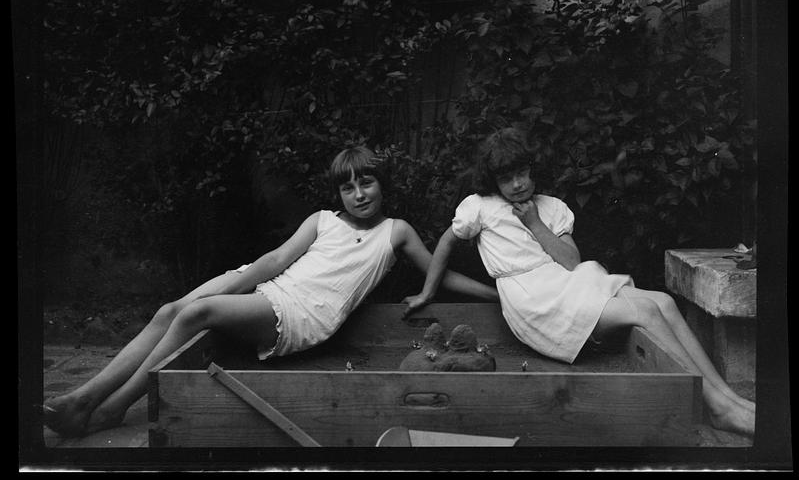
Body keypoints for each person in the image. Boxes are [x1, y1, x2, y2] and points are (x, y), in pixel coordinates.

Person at [43, 145, 498, 437]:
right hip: (276, 293)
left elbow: (439, 273)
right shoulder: (321, 220)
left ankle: (113, 408)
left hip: (305, 316)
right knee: (173, 309)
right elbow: (274, 262)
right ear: (338, 193)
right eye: (348, 187)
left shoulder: (395, 231)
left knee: (193, 316)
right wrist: (220, 290)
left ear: (382, 185)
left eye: (367, 182)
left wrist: (497, 295)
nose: (359, 194)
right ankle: (85, 397)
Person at [402, 127, 755, 436]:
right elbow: (448, 241)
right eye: (507, 178)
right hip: (536, 302)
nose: (518, 183)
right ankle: (720, 410)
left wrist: (536, 225)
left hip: (566, 281)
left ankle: (727, 398)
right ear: (493, 181)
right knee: (645, 311)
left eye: (523, 173)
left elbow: (572, 261)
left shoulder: (550, 207)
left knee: (663, 302)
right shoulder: (479, 207)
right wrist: (428, 291)